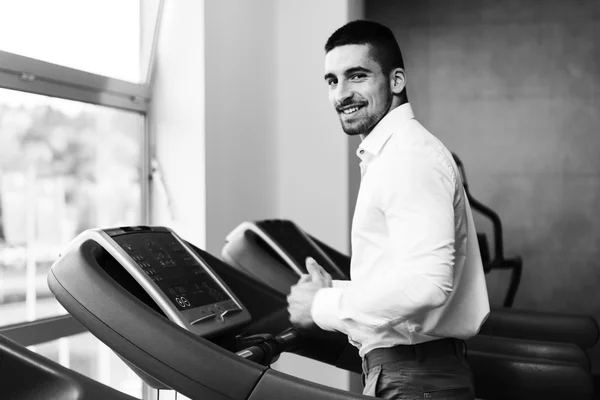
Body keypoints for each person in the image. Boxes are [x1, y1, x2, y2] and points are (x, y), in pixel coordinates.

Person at [286, 20, 490, 400]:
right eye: (332, 81)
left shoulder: (408, 157)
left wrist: (321, 305)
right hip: (411, 373)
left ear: (396, 81)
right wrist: (336, 291)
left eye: (357, 76)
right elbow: (406, 274)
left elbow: (427, 284)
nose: (341, 94)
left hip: (415, 378)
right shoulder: (393, 155)